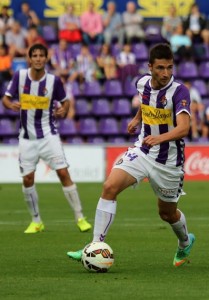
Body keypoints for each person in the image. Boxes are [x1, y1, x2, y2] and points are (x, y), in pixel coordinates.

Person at [67, 43, 195, 267]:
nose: (166, 73)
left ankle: (185, 241)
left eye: (170, 68)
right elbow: (146, 104)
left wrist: (159, 138)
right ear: (150, 68)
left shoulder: (179, 91)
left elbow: (184, 128)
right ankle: (95, 245)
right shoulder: (142, 83)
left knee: (167, 213)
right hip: (143, 151)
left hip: (168, 162)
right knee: (109, 187)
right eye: (161, 68)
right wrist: (138, 119)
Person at [2, 43, 91, 234]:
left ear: (45, 58)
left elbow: (66, 102)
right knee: (27, 179)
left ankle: (80, 217)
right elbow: (6, 98)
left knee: (63, 173)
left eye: (41, 55)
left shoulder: (53, 81)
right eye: (34, 55)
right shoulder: (20, 76)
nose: (38, 58)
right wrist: (11, 105)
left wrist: (63, 109)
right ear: (29, 58)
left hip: (48, 136)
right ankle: (36, 221)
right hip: (26, 138)